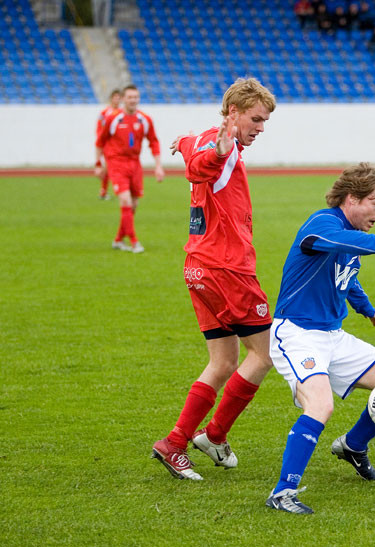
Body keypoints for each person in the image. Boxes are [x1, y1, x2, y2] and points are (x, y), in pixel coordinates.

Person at [265, 163, 375, 514]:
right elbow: (346, 244)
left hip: (334, 336)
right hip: (298, 334)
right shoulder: (322, 224)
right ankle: (282, 492)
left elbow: (346, 274)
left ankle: (353, 445)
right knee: (320, 406)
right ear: (351, 199)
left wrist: (365, 307)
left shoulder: (347, 232)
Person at [151, 78, 277, 481]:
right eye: (256, 119)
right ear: (233, 113)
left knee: (223, 362)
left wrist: (186, 140)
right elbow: (201, 165)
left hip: (199, 266)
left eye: (265, 121)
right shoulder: (221, 149)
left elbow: (192, 146)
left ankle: (175, 442)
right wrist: (217, 151)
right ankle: (215, 434)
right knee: (264, 355)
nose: (261, 127)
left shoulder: (204, 138)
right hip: (227, 269)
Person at [95, 84, 164, 253]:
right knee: (125, 200)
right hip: (116, 162)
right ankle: (134, 242)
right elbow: (100, 141)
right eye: (129, 97)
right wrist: (98, 164)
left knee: (133, 204)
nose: (133, 100)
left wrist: (158, 166)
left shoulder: (144, 119)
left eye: (135, 97)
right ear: (123, 99)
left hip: (135, 163)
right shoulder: (113, 118)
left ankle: (118, 239)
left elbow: (154, 142)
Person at [95, 88, 122, 200]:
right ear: (111, 99)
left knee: (116, 168)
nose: (117, 100)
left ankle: (111, 190)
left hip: (119, 145)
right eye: (115, 97)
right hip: (107, 144)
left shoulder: (122, 113)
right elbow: (99, 129)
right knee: (108, 167)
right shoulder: (104, 113)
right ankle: (104, 191)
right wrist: (100, 142)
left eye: (119, 98)